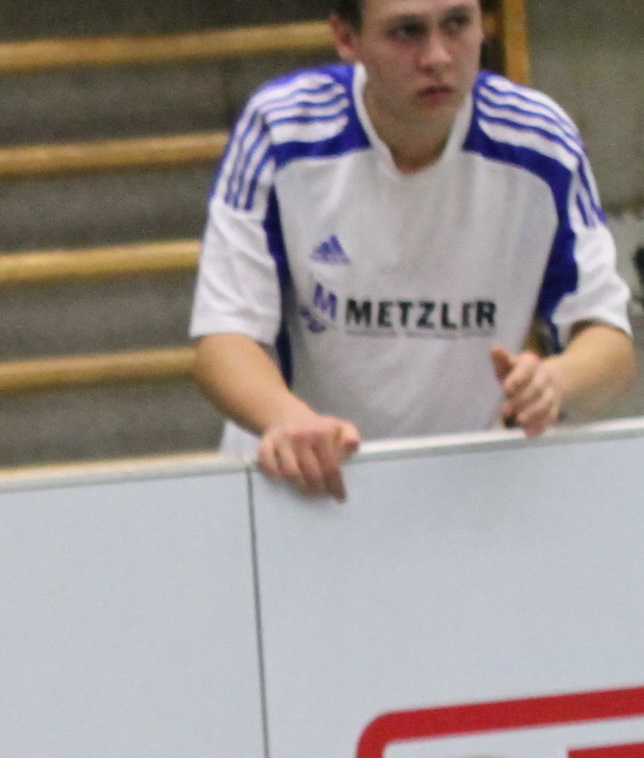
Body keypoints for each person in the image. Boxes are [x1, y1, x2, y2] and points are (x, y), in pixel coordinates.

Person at [191, 0, 634, 501]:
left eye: (457, 24)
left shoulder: (541, 142)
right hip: (304, 481)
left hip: (461, 486)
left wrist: (557, 380)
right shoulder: (282, 129)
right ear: (346, 39)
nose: (438, 57)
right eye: (407, 32)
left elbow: (610, 345)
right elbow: (222, 341)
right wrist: (290, 420)